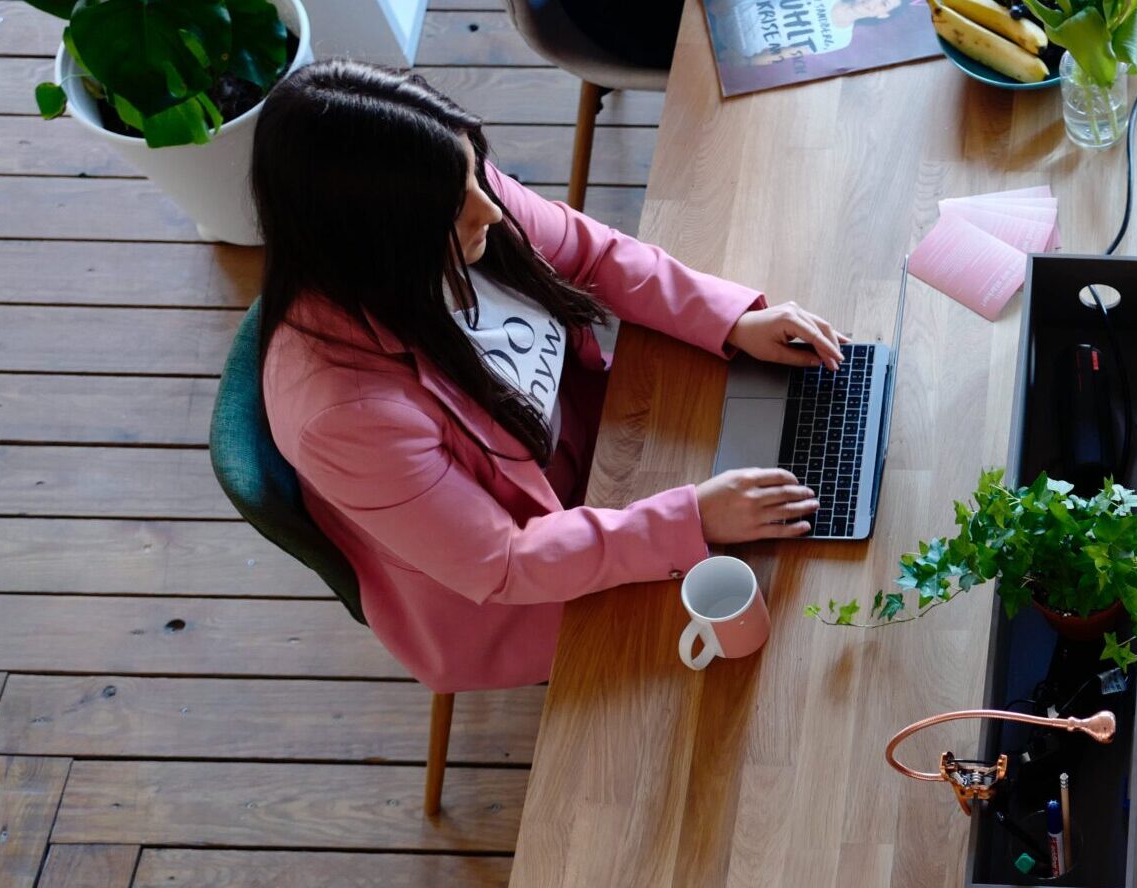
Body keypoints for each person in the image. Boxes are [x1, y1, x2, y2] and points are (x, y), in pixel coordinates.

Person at [252, 61, 851, 693]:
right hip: (515, 592)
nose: (492, 207)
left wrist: (731, 321)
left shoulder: (451, 198)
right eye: (460, 205)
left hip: (603, 452)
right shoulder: (342, 417)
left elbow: (592, 254)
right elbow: (505, 562)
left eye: (477, 172)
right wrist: (690, 519)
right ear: (379, 240)